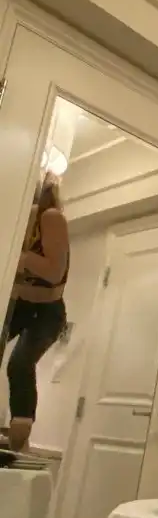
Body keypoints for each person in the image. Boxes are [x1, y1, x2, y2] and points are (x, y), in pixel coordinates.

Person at [1, 171, 69, 452]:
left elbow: (55, 273)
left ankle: (19, 441)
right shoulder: (15, 218)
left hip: (46, 310)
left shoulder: (49, 216)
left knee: (19, 364)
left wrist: (21, 258)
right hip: (18, 304)